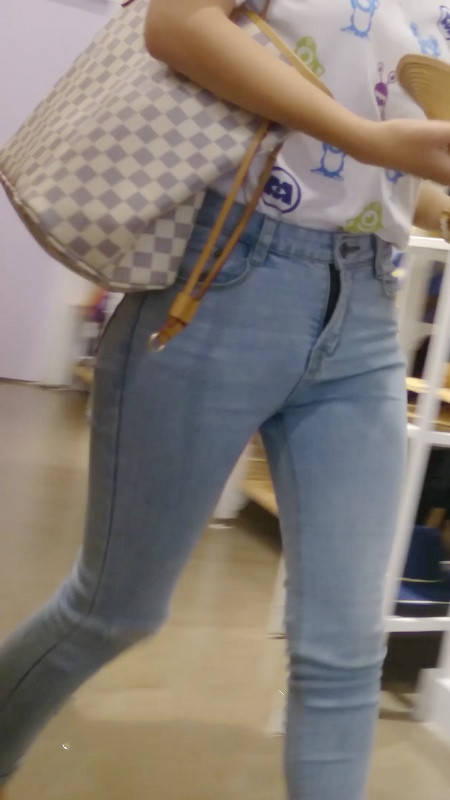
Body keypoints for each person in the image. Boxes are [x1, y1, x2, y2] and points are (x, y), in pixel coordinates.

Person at [1, 1, 450, 798]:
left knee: (346, 647)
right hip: (225, 277)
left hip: (367, 306)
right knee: (113, 609)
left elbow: (369, 163)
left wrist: (424, 192)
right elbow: (175, 24)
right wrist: (368, 141)